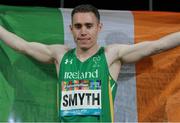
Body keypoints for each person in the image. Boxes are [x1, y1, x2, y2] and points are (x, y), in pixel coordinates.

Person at [0, 4, 180, 122]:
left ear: (99, 27)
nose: (83, 31)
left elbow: (158, 46)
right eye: (78, 26)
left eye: (89, 25)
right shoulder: (60, 55)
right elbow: (22, 46)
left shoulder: (111, 55)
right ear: (71, 29)